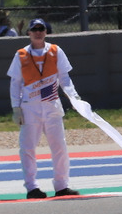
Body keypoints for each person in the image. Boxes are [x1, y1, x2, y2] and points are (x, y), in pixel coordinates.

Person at [7, 18, 80, 199]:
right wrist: (15, 107)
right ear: (29, 33)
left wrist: (74, 97)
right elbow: (15, 83)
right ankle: (32, 187)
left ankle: (62, 185)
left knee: (59, 146)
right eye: (34, 29)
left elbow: (64, 78)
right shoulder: (21, 55)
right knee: (28, 148)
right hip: (30, 107)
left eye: (41, 29)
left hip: (51, 105)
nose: (38, 32)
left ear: (46, 31)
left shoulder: (56, 51)